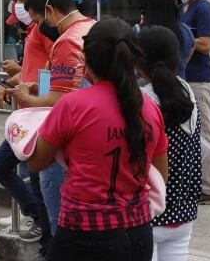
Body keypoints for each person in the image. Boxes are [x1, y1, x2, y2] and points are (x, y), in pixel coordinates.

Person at [28, 18, 169, 260]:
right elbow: (160, 174)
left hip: (82, 232)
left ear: (87, 61)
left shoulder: (72, 105)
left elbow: (36, 162)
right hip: (138, 231)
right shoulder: (150, 108)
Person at [12, 0, 96, 245]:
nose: (40, 27)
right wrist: (37, 86)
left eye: (38, 20)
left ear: (50, 11)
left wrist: (27, 98)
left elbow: (61, 99)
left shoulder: (68, 41)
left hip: (65, 145)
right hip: (91, 139)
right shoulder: (92, 28)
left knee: (62, 225)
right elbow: (70, 83)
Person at [0, 0, 54, 253]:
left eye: (24, 0)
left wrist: (32, 91)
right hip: (27, 115)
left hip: (39, 116)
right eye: (16, 0)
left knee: (39, 181)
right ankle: (37, 216)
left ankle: (45, 239)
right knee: (4, 168)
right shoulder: (32, 31)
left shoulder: (46, 31)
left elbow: (49, 73)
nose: (20, 6)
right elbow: (32, 71)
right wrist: (9, 84)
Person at [136, 26, 202, 261]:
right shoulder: (187, 92)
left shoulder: (141, 102)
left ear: (139, 63)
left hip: (148, 212)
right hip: (183, 214)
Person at [176, 0, 210, 205]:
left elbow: (206, 44)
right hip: (184, 79)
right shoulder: (181, 8)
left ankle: (208, 188)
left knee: (204, 133)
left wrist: (184, 38)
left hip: (200, 80)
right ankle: (193, 183)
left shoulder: (203, 8)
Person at [138, 0, 193, 79]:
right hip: (177, 85)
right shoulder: (185, 30)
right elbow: (188, 53)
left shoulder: (138, 31)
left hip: (144, 86)